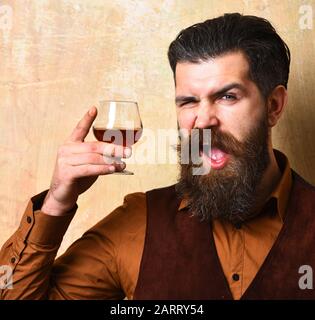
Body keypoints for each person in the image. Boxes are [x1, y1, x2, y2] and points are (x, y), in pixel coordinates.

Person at [1, 12, 315, 300]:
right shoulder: (138, 223)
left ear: (273, 106)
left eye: (227, 96)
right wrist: (56, 202)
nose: (203, 121)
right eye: (189, 101)